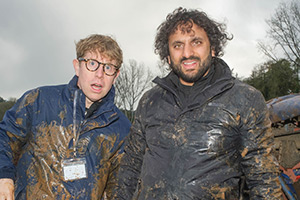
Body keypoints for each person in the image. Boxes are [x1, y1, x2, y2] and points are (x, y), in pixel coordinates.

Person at [113, 7, 283, 199]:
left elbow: (264, 181)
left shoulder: (245, 100)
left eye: (196, 42)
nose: (187, 53)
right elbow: (130, 168)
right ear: (167, 56)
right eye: (177, 45)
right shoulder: (149, 101)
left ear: (213, 48)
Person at [0, 34, 131, 199]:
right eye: (92, 64)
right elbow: (4, 136)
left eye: (108, 67)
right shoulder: (39, 101)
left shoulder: (122, 128)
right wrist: (4, 175)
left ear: (116, 75)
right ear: (77, 66)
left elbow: (120, 188)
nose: (100, 74)